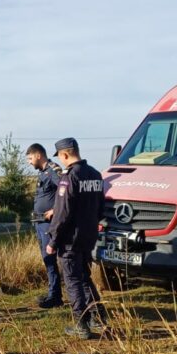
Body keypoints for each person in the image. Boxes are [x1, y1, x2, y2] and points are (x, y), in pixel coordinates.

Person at [46, 137, 108, 339]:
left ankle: (81, 324)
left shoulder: (69, 177)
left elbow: (62, 213)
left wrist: (53, 241)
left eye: (61, 157)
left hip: (70, 239)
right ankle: (97, 320)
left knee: (73, 280)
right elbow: (100, 208)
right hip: (89, 236)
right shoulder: (96, 175)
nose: (61, 161)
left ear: (64, 154)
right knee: (85, 277)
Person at [26, 143, 64, 308]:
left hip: (49, 224)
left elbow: (66, 191)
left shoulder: (52, 170)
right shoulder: (43, 173)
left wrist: (55, 210)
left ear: (38, 155)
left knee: (51, 258)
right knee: (47, 260)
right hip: (40, 222)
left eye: (30, 158)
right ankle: (53, 294)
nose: (29, 162)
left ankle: (55, 296)